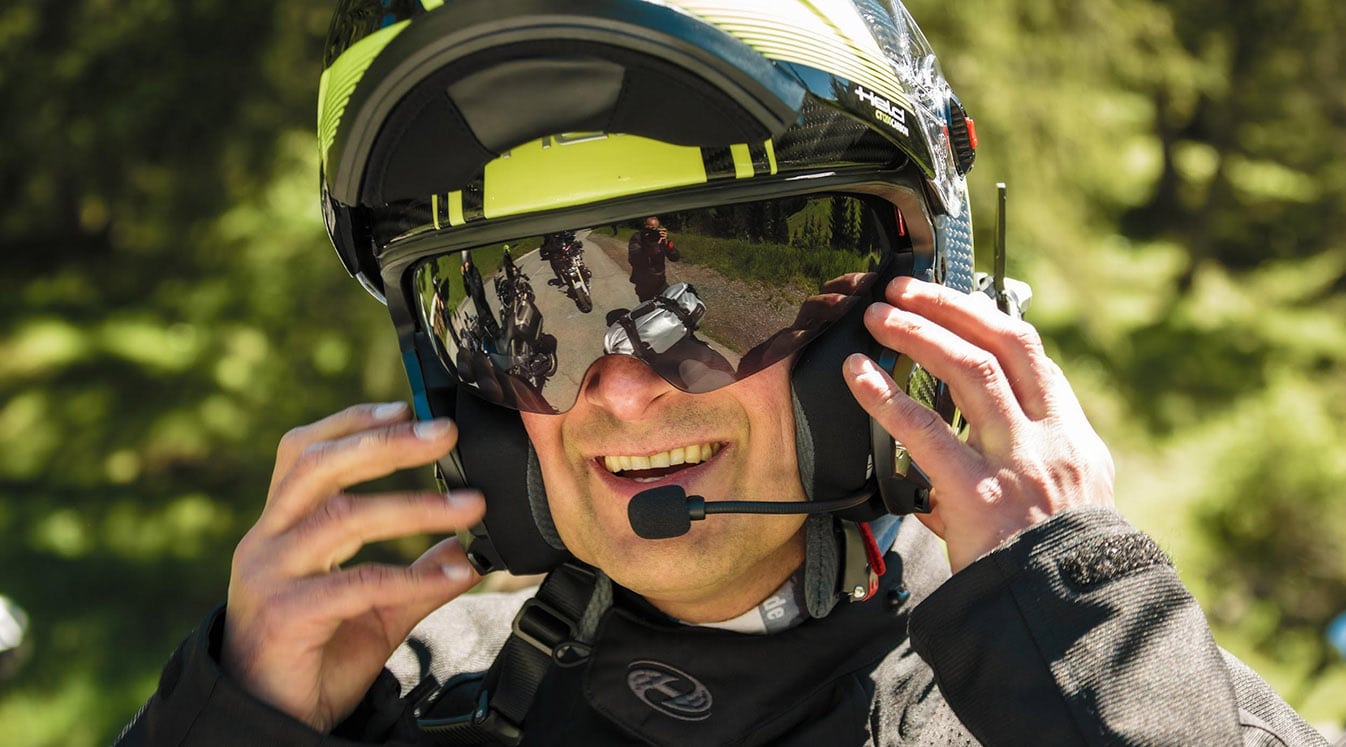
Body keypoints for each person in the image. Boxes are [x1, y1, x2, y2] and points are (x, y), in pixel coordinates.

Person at [116, 1, 1327, 745]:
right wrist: (230, 726)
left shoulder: (1083, 684)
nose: (623, 391)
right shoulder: (386, 702)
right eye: (517, 312)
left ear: (912, 315)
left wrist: (1082, 648)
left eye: (703, 288)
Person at [627, 217, 679, 302]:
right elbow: (634, 260)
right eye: (649, 228)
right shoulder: (638, 237)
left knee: (669, 303)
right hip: (643, 281)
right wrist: (652, 246)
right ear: (645, 227)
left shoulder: (660, 237)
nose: (652, 231)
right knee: (648, 307)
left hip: (660, 280)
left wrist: (667, 244)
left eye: (654, 228)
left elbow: (675, 257)